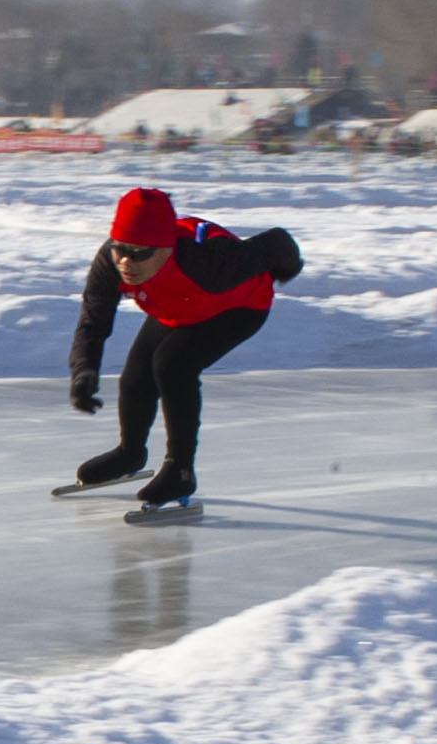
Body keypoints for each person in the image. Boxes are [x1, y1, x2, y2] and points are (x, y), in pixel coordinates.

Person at [66, 187, 304, 509]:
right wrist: (84, 371)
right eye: (120, 249)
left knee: (172, 364)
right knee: (136, 377)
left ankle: (180, 470)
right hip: (176, 308)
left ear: (167, 248)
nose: (126, 262)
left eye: (140, 253)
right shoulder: (110, 263)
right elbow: (93, 320)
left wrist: (288, 269)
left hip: (237, 309)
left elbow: (278, 242)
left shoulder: (208, 263)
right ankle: (130, 453)